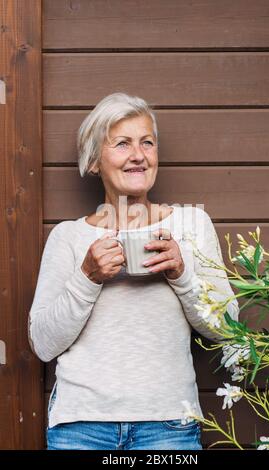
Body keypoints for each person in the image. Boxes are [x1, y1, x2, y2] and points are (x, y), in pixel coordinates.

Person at [28, 92, 239, 450]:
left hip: (169, 424)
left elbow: (227, 329)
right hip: (81, 426)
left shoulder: (191, 224)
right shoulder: (68, 236)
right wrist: (87, 277)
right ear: (94, 161)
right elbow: (43, 344)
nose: (138, 155)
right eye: (122, 144)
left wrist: (182, 274)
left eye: (147, 143)